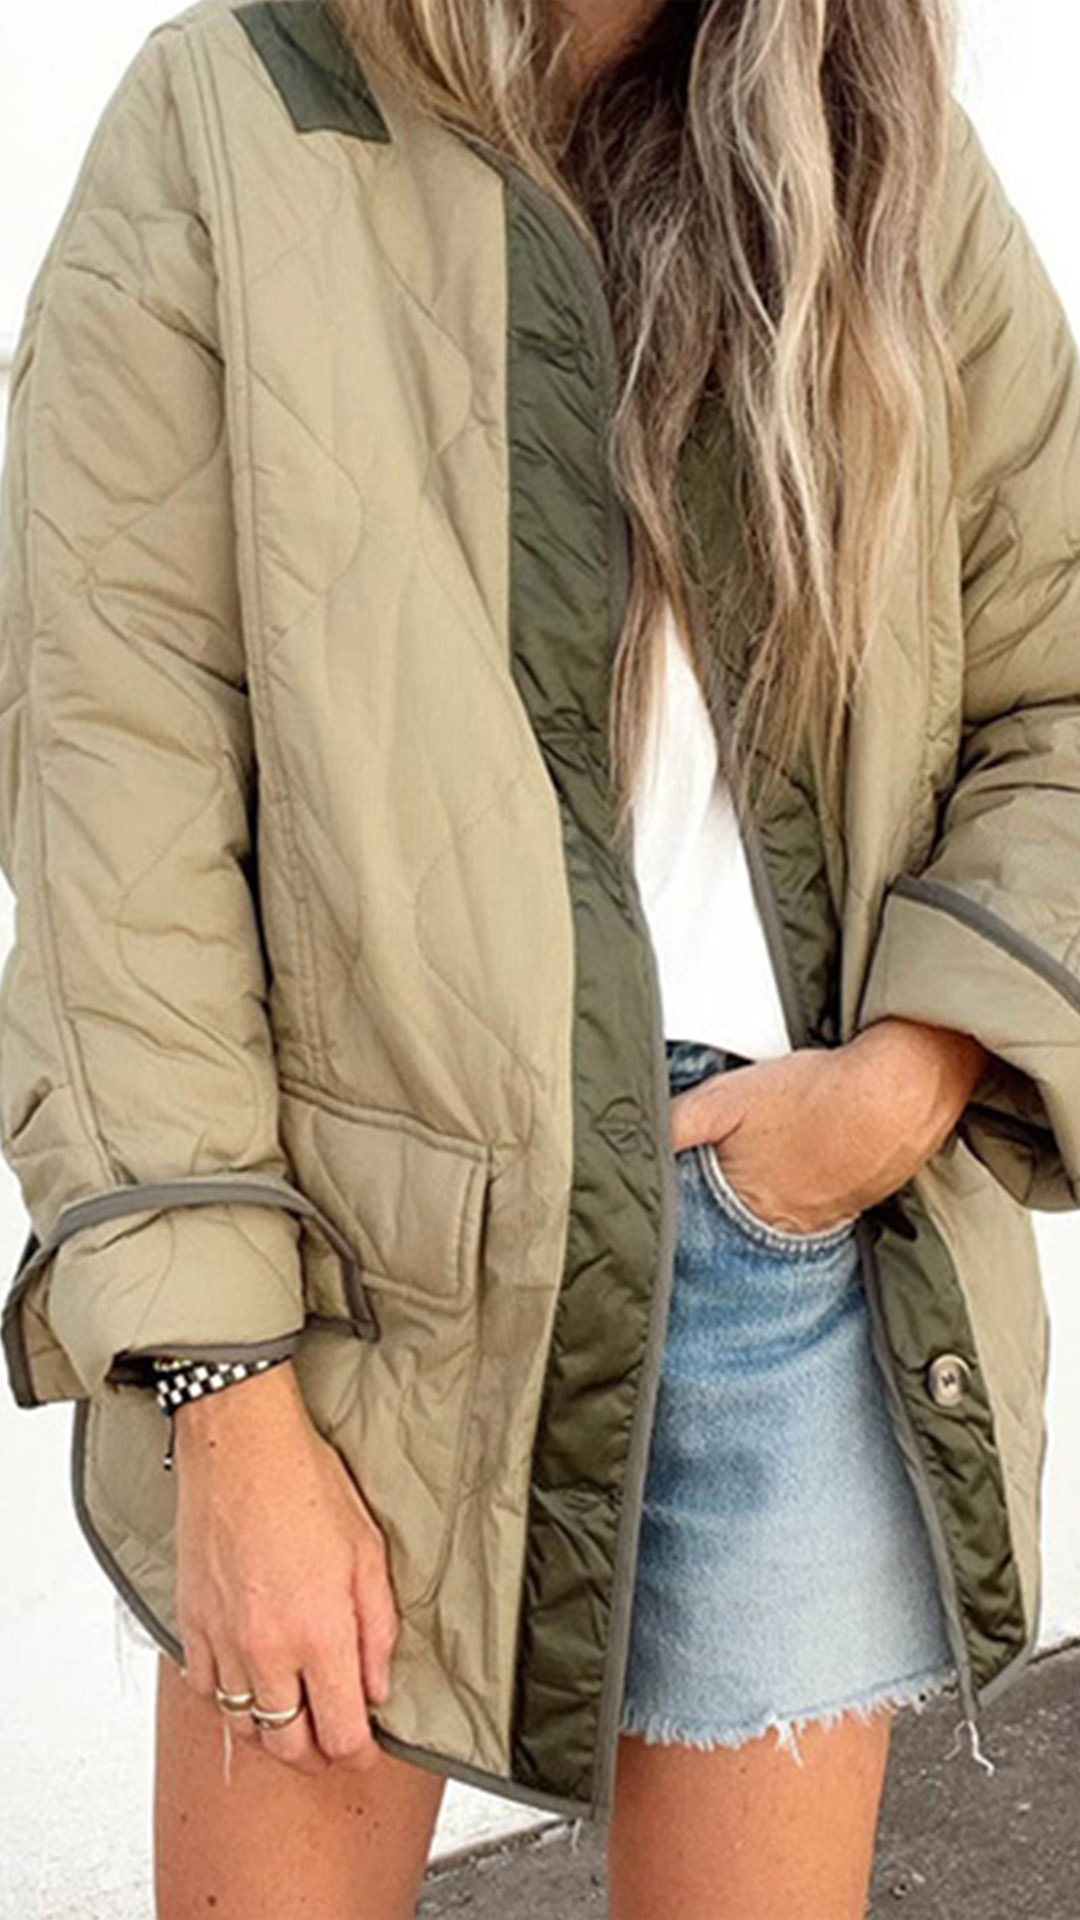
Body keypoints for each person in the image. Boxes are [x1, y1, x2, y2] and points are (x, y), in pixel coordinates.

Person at [0, 0, 1076, 1914]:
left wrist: (908, 1081)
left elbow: (1057, 682)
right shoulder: (233, 116)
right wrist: (222, 1390)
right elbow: (116, 802)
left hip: (790, 1262)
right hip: (355, 1287)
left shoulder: (870, 148)